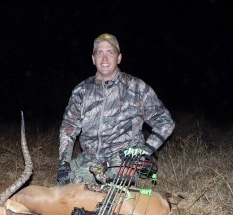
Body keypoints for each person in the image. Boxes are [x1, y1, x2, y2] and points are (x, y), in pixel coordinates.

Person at [57, 33, 175, 186]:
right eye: (99, 53)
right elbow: (68, 129)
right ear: (93, 59)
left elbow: (165, 122)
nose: (104, 58)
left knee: (113, 195)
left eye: (110, 52)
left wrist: (145, 151)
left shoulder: (136, 87)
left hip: (123, 160)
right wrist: (63, 163)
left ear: (119, 58)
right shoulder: (82, 91)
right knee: (69, 192)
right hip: (90, 159)